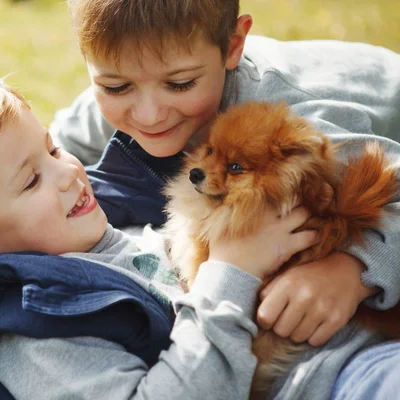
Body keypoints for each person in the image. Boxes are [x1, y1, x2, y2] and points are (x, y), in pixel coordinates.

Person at [0, 78, 317, 399]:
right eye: (31, 180)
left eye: (52, 148)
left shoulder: (107, 238)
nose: (68, 172)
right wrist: (230, 272)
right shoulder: (40, 337)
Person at [46, 0, 400, 398]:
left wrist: (352, 269)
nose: (148, 115)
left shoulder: (296, 116)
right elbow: (48, 149)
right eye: (116, 87)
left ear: (233, 46)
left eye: (179, 84)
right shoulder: (123, 87)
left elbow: (388, 189)